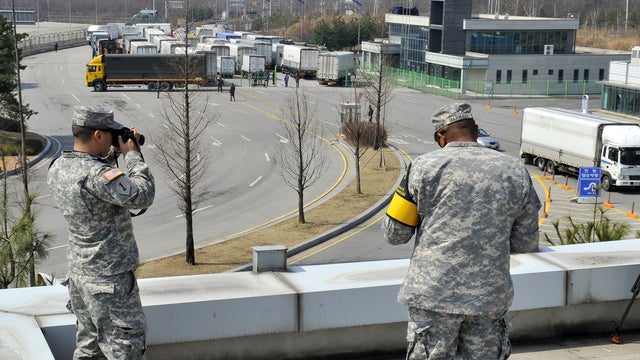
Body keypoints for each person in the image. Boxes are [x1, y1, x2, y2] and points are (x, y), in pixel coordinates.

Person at [383, 102, 540, 360]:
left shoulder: (422, 168)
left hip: (433, 296)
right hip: (488, 298)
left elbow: (395, 234)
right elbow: (525, 242)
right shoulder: (515, 171)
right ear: (476, 131)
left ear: (440, 137)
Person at [47, 105, 155, 359]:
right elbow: (142, 195)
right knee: (125, 348)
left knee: (89, 347)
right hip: (110, 282)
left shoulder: (58, 166)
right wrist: (133, 155)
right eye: (108, 134)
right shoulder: (99, 174)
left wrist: (111, 152)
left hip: (80, 277)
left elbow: (95, 179)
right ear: (97, 135)